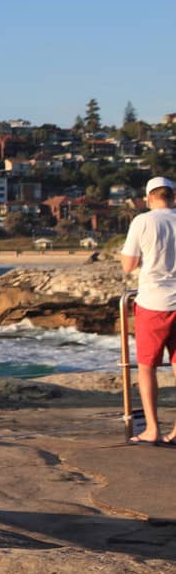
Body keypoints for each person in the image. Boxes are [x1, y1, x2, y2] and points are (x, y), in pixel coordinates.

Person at [121, 176, 176, 445]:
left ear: (149, 197)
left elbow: (128, 265)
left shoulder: (143, 221)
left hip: (153, 302)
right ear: (173, 196)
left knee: (146, 367)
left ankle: (152, 428)